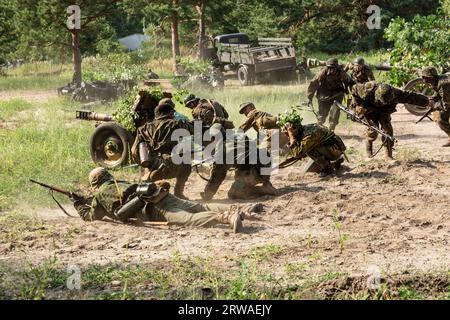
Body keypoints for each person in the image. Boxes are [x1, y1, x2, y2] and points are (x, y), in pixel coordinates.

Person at [71, 168, 245, 233]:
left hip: (154, 209)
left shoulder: (100, 194)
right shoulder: (120, 182)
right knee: (200, 206)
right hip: (162, 195)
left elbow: (91, 216)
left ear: (94, 183)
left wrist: (78, 204)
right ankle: (246, 209)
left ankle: (226, 218)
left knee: (189, 219)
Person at [132, 99, 194, 199]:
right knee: (186, 165)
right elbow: (195, 128)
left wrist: (145, 164)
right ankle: (178, 192)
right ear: (169, 113)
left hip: (152, 166)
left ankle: (150, 187)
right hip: (171, 166)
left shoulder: (143, 129)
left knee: (147, 190)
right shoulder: (176, 124)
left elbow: (134, 151)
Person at [350, 81, 429, 159]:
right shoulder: (367, 89)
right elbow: (354, 89)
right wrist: (358, 105)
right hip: (369, 109)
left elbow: (412, 96)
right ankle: (369, 150)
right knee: (373, 130)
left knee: (387, 131)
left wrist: (427, 102)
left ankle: (388, 155)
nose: (383, 103)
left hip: (385, 111)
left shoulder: (397, 93)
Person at [279, 109, 346, 177]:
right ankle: (334, 164)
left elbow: (298, 154)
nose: (286, 135)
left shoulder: (309, 135)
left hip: (335, 150)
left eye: (286, 133)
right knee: (308, 168)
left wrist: (291, 137)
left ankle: (328, 169)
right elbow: (297, 155)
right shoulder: (302, 130)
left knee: (310, 151)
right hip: (330, 147)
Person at [307, 58, 354, 131]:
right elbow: (313, 84)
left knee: (334, 114)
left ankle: (331, 130)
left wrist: (353, 93)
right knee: (322, 115)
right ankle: (319, 129)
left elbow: (350, 82)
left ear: (337, 67)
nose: (331, 70)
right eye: (329, 68)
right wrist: (309, 98)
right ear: (327, 67)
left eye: (333, 68)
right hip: (324, 95)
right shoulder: (322, 73)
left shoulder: (341, 72)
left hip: (337, 94)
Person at [421, 66, 450, 147]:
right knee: (441, 118)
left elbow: (446, 104)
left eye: (425, 77)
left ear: (430, 77)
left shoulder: (444, 83)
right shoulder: (438, 80)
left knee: (441, 120)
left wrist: (435, 106)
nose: (424, 80)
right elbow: (439, 93)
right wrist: (432, 99)